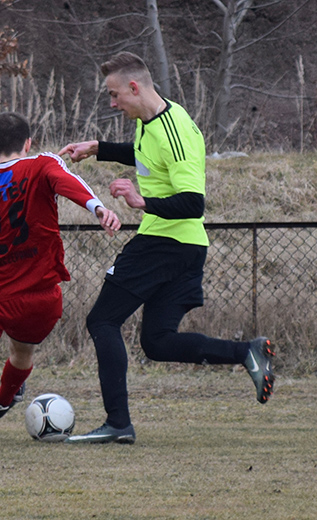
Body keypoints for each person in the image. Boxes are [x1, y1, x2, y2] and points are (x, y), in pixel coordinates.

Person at [58, 52, 275, 445]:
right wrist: (99, 148)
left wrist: (143, 203)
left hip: (165, 242)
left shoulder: (173, 129)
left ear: (134, 88)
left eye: (114, 94)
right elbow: (145, 154)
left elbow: (194, 203)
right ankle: (247, 352)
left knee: (101, 321)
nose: (111, 103)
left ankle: (118, 424)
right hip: (185, 248)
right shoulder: (151, 121)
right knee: (157, 342)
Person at [0, 83, 121, 448]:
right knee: (22, 352)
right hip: (39, 298)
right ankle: (3, 399)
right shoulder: (42, 164)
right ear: (28, 143)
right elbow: (67, 181)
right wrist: (98, 208)